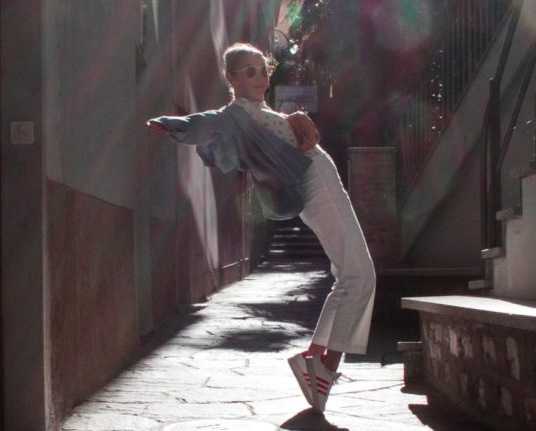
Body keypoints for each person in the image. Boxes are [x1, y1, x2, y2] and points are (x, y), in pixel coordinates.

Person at [146, 43, 375, 412]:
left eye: (264, 70)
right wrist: (174, 125)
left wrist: (299, 127)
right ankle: (323, 368)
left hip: (321, 180)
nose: (260, 78)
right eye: (250, 71)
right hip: (316, 184)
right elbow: (206, 122)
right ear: (232, 78)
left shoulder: (262, 111)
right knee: (360, 275)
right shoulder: (236, 114)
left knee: (348, 276)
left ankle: (315, 361)